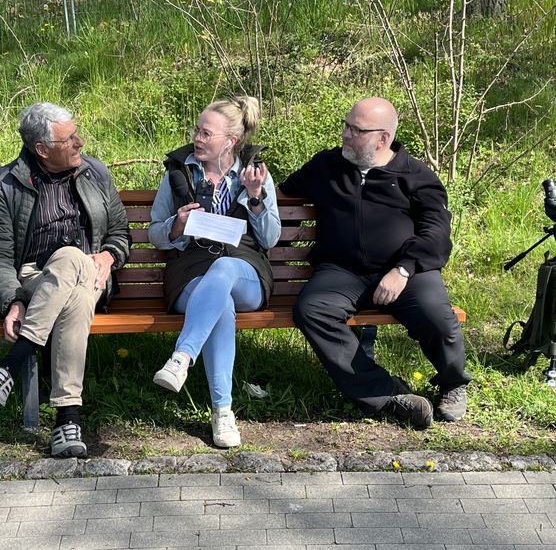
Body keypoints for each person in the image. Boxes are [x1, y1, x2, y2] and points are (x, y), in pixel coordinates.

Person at [279, 96, 471, 428]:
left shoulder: (415, 175)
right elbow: (281, 190)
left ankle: (453, 383)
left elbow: (437, 234)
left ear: (382, 138)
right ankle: (387, 394)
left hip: (405, 271)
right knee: (311, 310)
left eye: (356, 130)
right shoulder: (326, 166)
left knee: (436, 316)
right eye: (346, 125)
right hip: (342, 271)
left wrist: (403, 269)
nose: (346, 135)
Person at [148, 95, 281, 448]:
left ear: (230, 142)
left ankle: (182, 357)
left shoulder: (255, 173)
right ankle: (223, 412)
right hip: (190, 270)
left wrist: (255, 198)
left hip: (246, 270)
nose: (197, 138)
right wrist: (176, 226)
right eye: (197, 131)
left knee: (223, 269)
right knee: (219, 301)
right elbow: (154, 232)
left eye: (206, 133)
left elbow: (269, 237)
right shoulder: (178, 172)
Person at [0, 102, 131, 457]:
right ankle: (66, 421)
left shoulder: (95, 173)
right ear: (41, 150)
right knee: (73, 286)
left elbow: (119, 232)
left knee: (75, 260)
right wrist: (14, 298)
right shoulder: (7, 184)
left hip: (93, 271)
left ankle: (10, 364)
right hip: (33, 278)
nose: (80, 142)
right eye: (69, 138)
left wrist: (108, 255)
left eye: (76, 134)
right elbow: (1, 257)